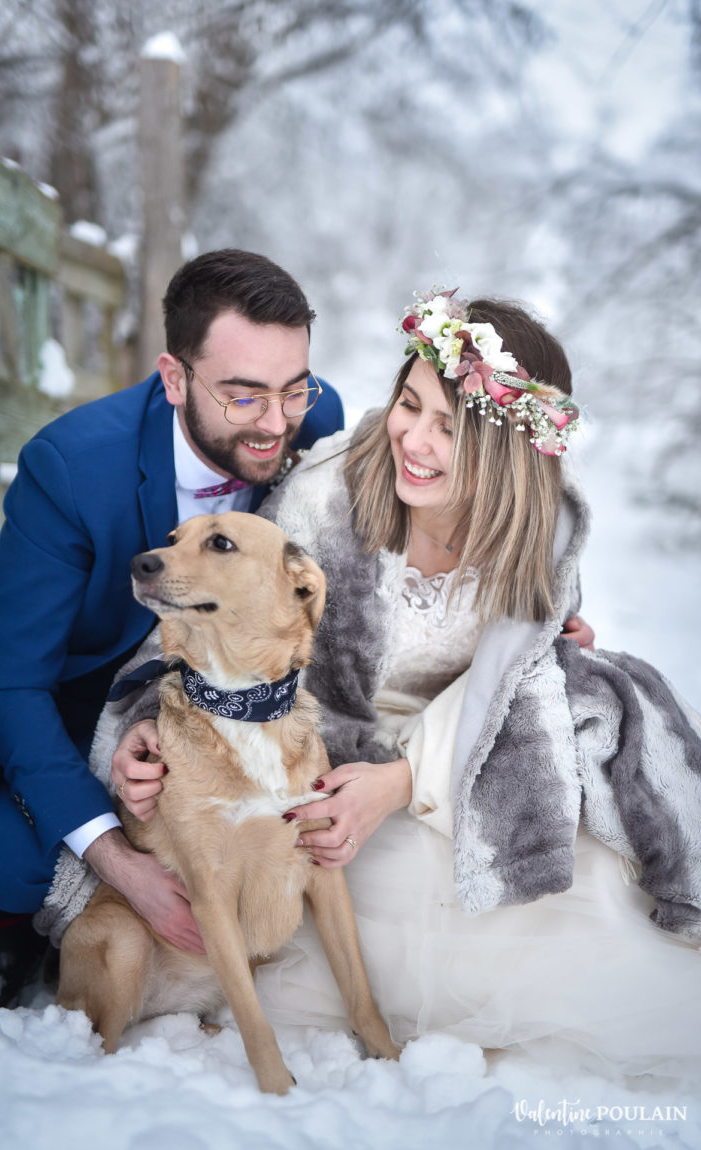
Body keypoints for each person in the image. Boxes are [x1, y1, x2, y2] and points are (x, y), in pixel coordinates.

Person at [111, 286, 701, 1079]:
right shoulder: (326, 497)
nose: (414, 440)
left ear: (506, 453)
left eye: (449, 427)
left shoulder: (540, 535)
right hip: (325, 760)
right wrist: (146, 722)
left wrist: (403, 780)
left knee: (585, 880)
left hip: (459, 765)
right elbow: (219, 619)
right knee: (373, 896)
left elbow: (514, 689)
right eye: (409, 404)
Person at [0, 248, 344, 1006]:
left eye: (293, 388)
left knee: (3, 849)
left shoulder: (313, 420)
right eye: (244, 396)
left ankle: (16, 882)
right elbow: (12, 682)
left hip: (192, 706)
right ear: (174, 378)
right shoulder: (72, 467)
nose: (276, 421)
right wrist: (123, 868)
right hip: (64, 691)